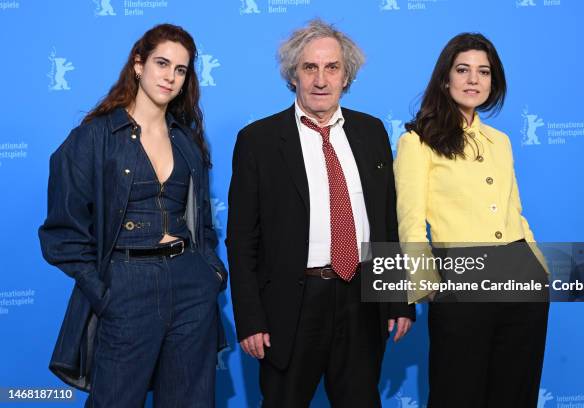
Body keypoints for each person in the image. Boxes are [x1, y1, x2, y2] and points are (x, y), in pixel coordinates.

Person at [226, 19, 415, 408]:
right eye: (309, 67)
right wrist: (250, 318)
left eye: (332, 68)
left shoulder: (372, 132)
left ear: (347, 76)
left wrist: (398, 298)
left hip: (363, 297)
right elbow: (242, 239)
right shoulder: (258, 141)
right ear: (293, 75)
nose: (320, 79)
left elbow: (385, 222)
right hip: (292, 305)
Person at [38, 24, 227, 407]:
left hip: (191, 285)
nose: (170, 77)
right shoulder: (94, 138)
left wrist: (211, 272)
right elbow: (62, 233)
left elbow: (202, 221)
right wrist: (103, 292)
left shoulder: (186, 139)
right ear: (139, 65)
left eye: (180, 69)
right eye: (162, 63)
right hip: (126, 285)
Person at [394, 33, 549, 407]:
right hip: (461, 278)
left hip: (520, 275)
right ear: (445, 79)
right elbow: (410, 221)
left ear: (493, 81)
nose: (473, 80)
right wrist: (426, 285)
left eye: (483, 71)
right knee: (456, 393)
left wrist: (538, 266)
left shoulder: (500, 141)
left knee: (516, 393)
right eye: (463, 70)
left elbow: (515, 211)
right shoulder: (417, 141)